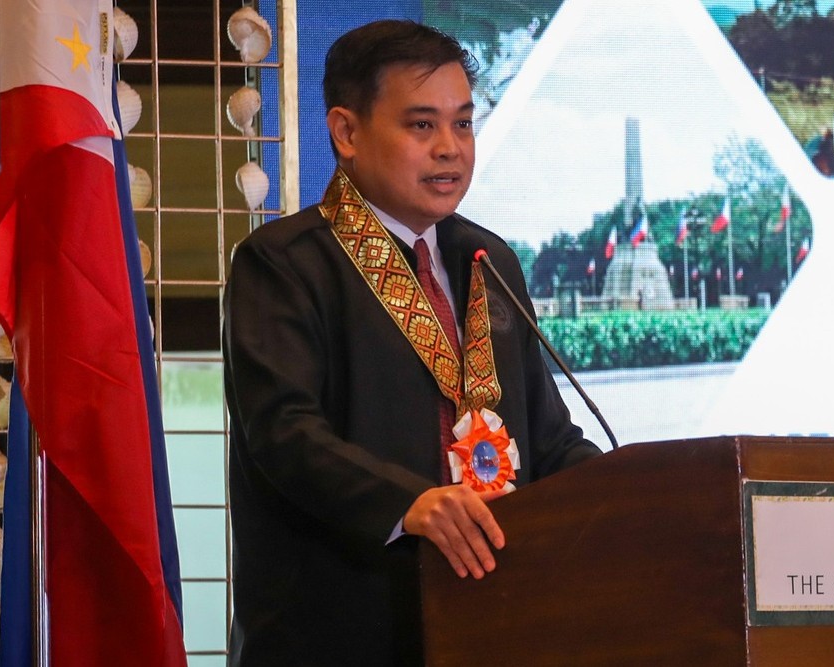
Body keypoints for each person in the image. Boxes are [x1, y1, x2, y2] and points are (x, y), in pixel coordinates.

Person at [222, 19, 602, 666]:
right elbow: (285, 433)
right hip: (342, 631)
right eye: (422, 125)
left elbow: (546, 438)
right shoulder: (285, 263)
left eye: (463, 123)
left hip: (492, 624)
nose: (450, 149)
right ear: (346, 132)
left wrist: (640, 492)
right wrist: (410, 503)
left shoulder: (490, 261)